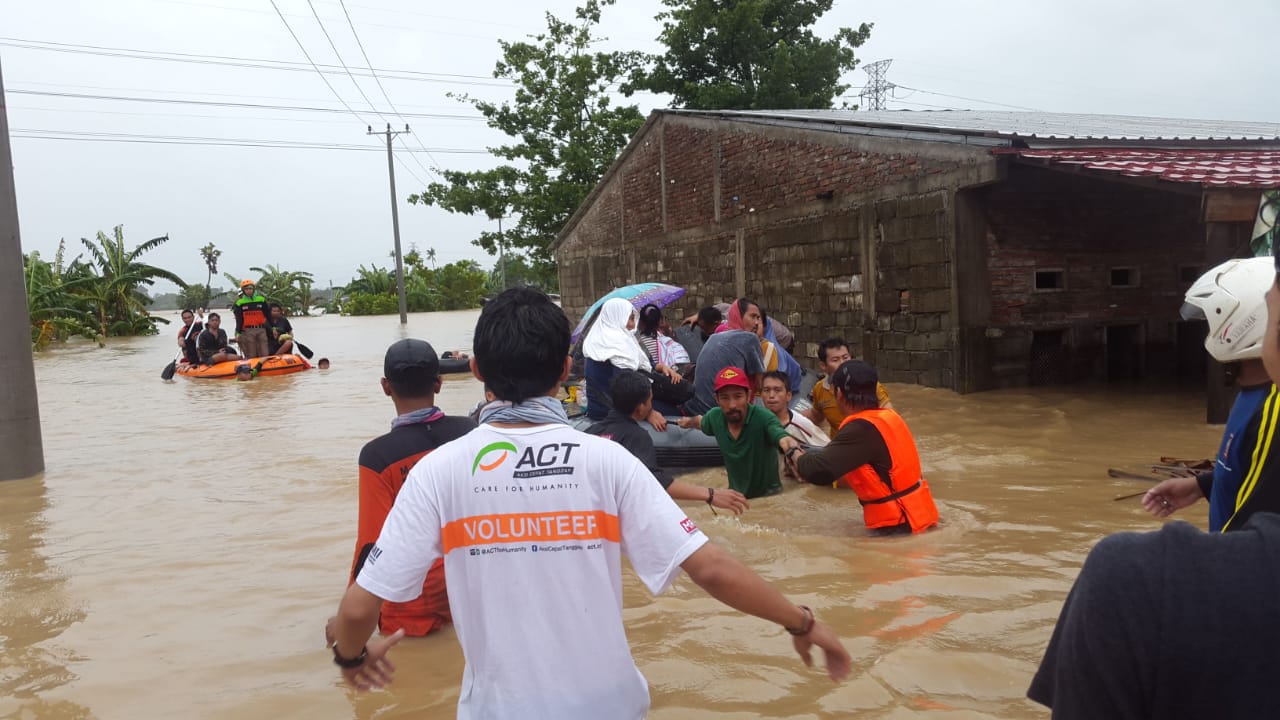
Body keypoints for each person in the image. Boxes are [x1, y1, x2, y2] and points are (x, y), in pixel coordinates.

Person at [328, 287, 851, 714]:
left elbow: (358, 608)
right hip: (612, 705)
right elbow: (712, 569)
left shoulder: (437, 473)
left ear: (479, 370)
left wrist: (352, 660)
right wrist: (802, 621)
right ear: (563, 368)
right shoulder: (607, 459)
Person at [325, 339, 477, 645]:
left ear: (385, 386)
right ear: (439, 383)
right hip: (474, 594)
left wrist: (350, 617)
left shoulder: (378, 456)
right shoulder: (472, 432)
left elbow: (370, 544)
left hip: (411, 609)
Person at [1143, 257, 1280, 532]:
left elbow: (1255, 534)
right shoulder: (1252, 393)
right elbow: (1250, 469)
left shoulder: (1271, 411)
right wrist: (1201, 486)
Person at [794, 360, 938, 534]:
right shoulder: (889, 417)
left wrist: (793, 451)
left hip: (899, 527)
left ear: (838, 393)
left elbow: (819, 472)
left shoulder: (860, 428)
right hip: (921, 517)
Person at [587, 370, 749, 515]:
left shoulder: (590, 433)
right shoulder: (636, 436)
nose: (652, 405)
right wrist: (710, 494)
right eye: (650, 400)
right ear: (641, 408)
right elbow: (655, 481)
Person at [678, 366, 804, 498]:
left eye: (738, 396)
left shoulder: (764, 418)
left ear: (749, 396)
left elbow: (781, 436)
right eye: (725, 398)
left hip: (769, 499)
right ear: (717, 399)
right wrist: (686, 422)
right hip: (734, 498)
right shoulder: (715, 417)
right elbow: (699, 421)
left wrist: (793, 451)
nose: (732, 405)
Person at [582, 297, 679, 428]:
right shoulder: (615, 343)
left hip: (607, 406)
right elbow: (626, 389)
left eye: (633, 319)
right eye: (630, 319)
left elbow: (640, 363)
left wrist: (660, 367)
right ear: (616, 318)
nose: (633, 325)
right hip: (610, 411)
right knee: (673, 412)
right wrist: (649, 413)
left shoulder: (604, 339)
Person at [684, 311, 766, 416]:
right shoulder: (748, 339)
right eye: (753, 317)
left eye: (758, 319)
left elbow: (762, 386)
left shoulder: (715, 337)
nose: (756, 323)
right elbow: (760, 385)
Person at [804, 338, 892, 432]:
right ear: (823, 366)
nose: (843, 363)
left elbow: (888, 416)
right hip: (839, 443)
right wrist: (790, 416)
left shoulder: (868, 384)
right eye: (835, 360)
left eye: (845, 357)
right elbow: (816, 416)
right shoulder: (820, 389)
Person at [760, 371, 829, 482]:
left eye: (777, 390)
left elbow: (828, 451)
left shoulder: (800, 424)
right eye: (766, 390)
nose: (771, 395)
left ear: (788, 396)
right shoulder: (755, 422)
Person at [636, 304, 690, 372]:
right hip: (666, 375)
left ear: (640, 321)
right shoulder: (668, 342)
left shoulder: (636, 341)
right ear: (659, 321)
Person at [232, 279, 272, 359]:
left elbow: (268, 315)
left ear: (253, 289)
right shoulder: (239, 303)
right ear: (243, 290)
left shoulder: (261, 300)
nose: (249, 291)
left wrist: (273, 328)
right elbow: (239, 320)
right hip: (248, 330)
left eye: (250, 288)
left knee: (265, 352)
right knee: (252, 354)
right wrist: (238, 333)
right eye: (246, 289)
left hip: (261, 329)